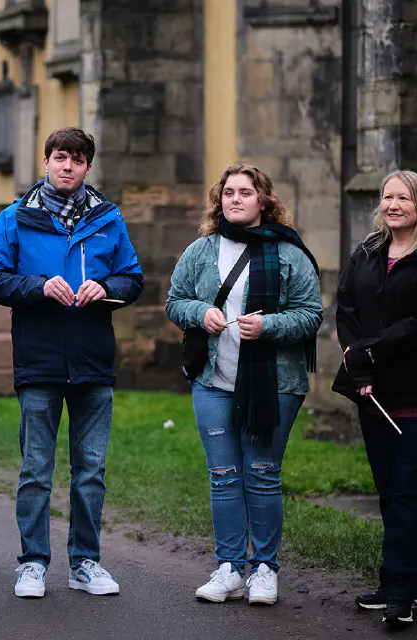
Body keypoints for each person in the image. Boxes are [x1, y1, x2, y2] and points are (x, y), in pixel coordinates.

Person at [0, 127, 143, 598]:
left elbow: (133, 279)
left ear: (87, 166)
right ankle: (32, 563)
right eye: (59, 157)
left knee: (90, 472)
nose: (67, 166)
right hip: (39, 362)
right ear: (46, 161)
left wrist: (106, 288)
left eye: (76, 159)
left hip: (93, 362)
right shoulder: (14, 217)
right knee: (36, 470)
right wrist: (38, 287)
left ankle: (85, 562)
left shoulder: (108, 218)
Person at [165, 163, 322, 607]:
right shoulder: (201, 250)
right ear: (220, 200)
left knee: (262, 473)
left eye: (246, 192)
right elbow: (175, 302)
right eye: (229, 192)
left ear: (263, 201)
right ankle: (230, 568)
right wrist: (201, 314)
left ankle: (265, 568)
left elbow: (311, 314)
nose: (235, 199)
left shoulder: (289, 253)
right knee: (223, 476)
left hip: (274, 384)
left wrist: (269, 325)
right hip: (213, 381)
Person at [333, 170, 417, 628]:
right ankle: (398, 580)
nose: (392, 205)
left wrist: (371, 351)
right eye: (387, 197)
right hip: (373, 390)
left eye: (403, 198)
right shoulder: (368, 251)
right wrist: (360, 366)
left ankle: (404, 591)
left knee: (407, 489)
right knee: (389, 490)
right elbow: (346, 308)